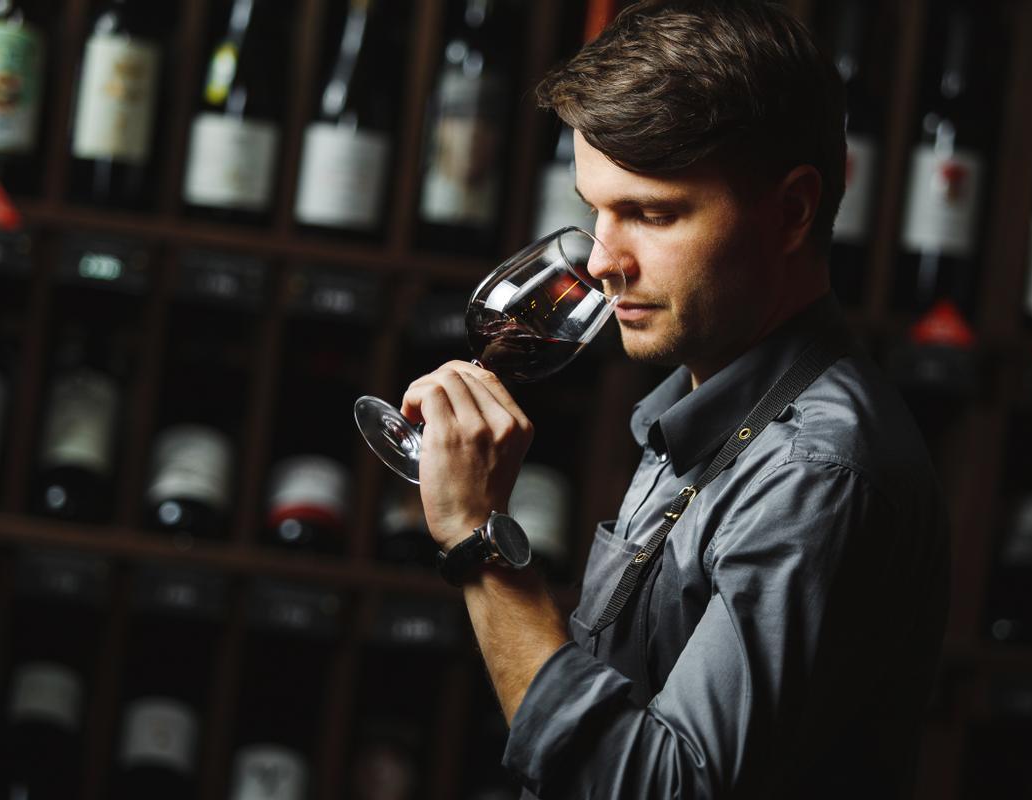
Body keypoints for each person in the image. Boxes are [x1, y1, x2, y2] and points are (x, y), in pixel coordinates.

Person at [399, 1, 950, 797]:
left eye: (651, 214)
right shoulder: (717, 405)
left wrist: (479, 543)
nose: (601, 262)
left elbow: (666, 787)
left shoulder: (816, 473)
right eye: (596, 211)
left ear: (792, 211)